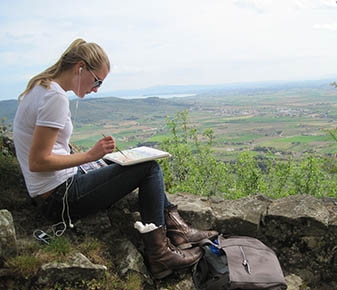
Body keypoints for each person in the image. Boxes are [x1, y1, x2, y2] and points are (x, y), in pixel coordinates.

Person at [13, 38, 218, 279]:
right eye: (97, 81)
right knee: (149, 169)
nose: (96, 88)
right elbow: (38, 162)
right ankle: (160, 254)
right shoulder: (54, 98)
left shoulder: (42, 87)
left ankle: (178, 229)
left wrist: (93, 159)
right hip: (59, 197)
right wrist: (90, 155)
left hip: (58, 186)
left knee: (131, 161)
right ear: (81, 68)